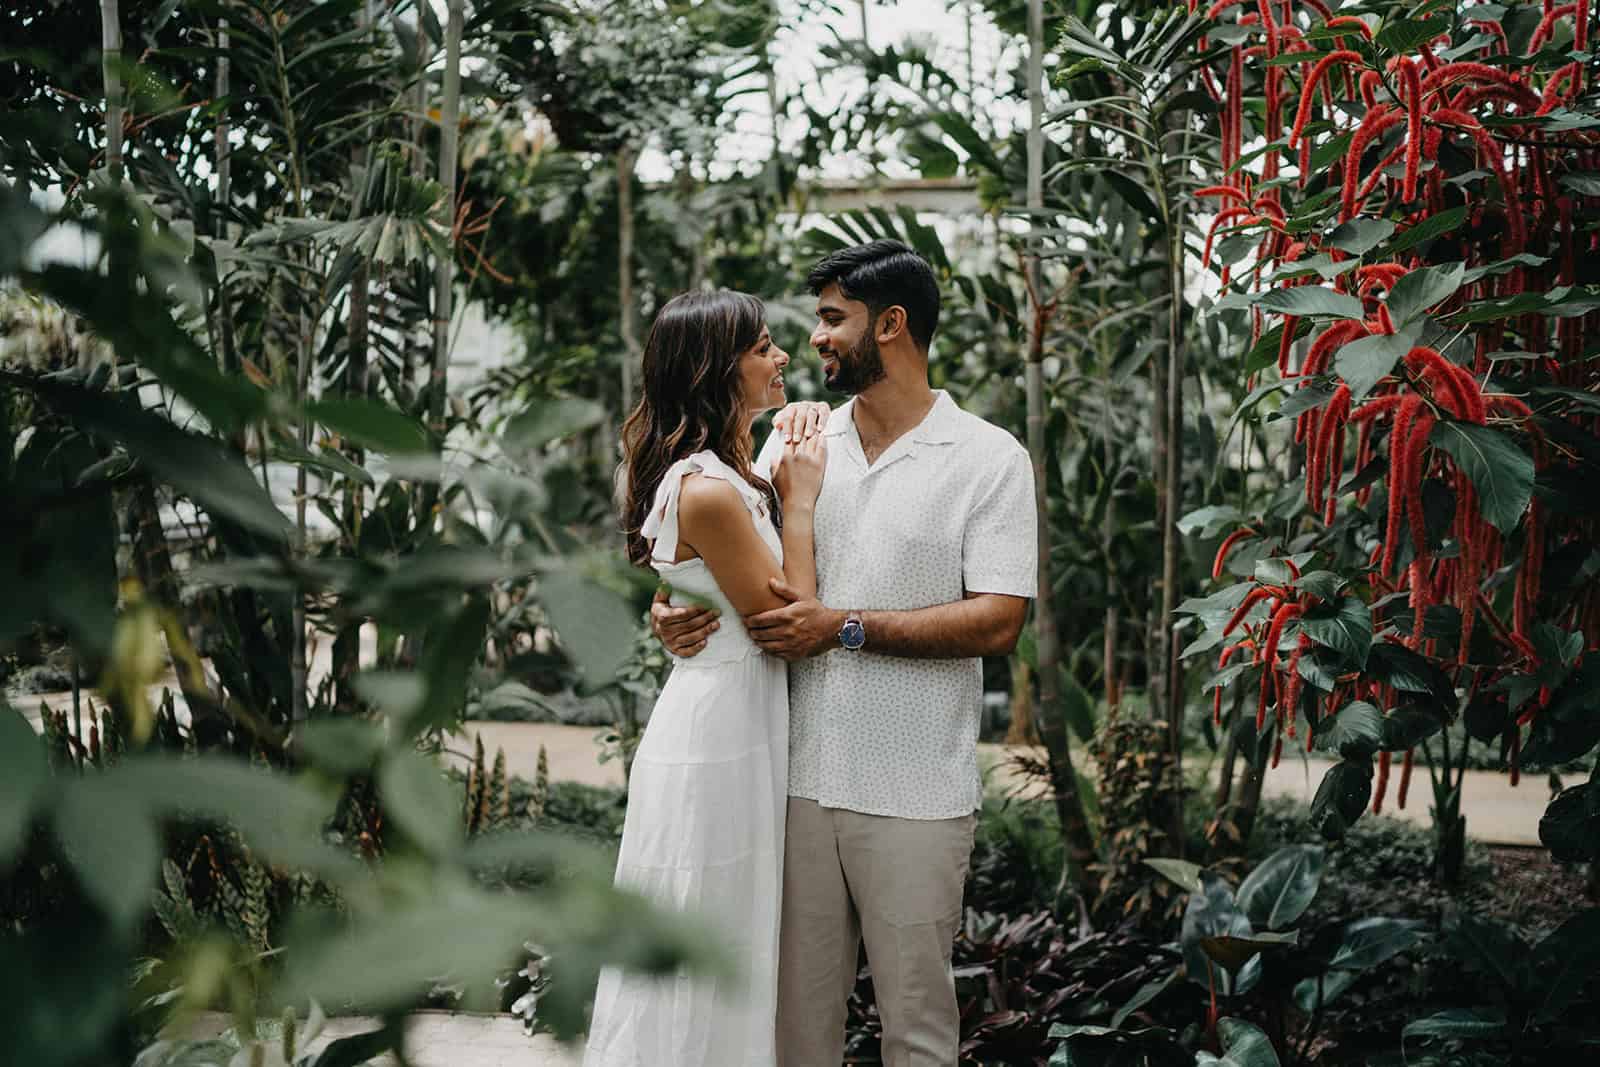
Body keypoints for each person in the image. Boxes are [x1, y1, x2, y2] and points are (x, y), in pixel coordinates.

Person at [652, 240, 1038, 1066]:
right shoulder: (791, 443)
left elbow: (1000, 619)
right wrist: (672, 608)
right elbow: (726, 560)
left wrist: (845, 626)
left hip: (915, 793)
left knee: (918, 1032)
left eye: (833, 318)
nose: (815, 337)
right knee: (792, 1032)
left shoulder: (990, 460)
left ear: (889, 324)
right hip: (790, 785)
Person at [584, 289, 828, 1067]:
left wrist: (667, 605)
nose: (782, 356)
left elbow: (699, 583)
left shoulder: (731, 472)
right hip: (719, 734)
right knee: (708, 925)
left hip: (731, 714)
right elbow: (789, 624)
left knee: (727, 926)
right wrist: (800, 504)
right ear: (715, 371)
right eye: (762, 348)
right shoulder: (712, 490)